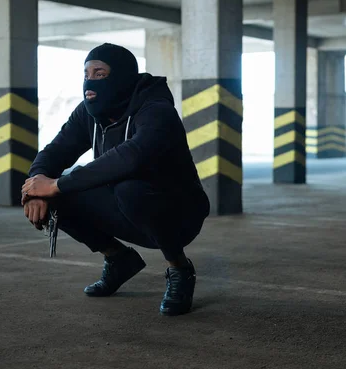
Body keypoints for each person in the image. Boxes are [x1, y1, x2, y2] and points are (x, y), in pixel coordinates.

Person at [20, 43, 210, 316]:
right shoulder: (89, 112)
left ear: (121, 76)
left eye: (100, 73)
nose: (89, 81)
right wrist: (37, 187)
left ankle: (180, 269)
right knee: (56, 194)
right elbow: (54, 152)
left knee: (128, 188)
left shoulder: (156, 108)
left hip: (178, 213)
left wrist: (57, 183)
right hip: (127, 209)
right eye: (86, 73)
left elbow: (134, 156)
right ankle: (119, 259)